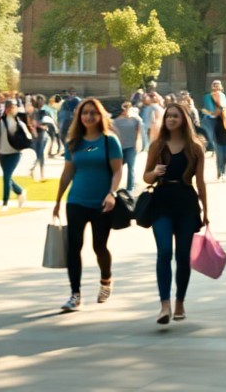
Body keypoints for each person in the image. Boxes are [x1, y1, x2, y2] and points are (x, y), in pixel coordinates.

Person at [52, 98, 123, 312]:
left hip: (102, 203)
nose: (89, 116)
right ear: (79, 116)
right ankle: (75, 294)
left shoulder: (109, 141)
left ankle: (106, 280)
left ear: (100, 116)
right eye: (85, 113)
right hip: (76, 201)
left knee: (99, 246)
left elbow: (118, 170)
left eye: (93, 113)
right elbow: (67, 173)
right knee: (74, 248)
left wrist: (112, 194)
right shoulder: (73, 143)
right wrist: (57, 201)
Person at [143, 103, 210, 324]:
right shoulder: (158, 145)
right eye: (168, 116)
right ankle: (164, 305)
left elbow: (200, 182)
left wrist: (206, 210)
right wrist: (154, 172)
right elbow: (145, 176)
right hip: (161, 200)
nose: (171, 119)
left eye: (175, 116)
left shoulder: (195, 147)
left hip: (186, 202)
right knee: (164, 252)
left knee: (182, 255)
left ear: (184, 120)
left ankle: (180, 300)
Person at [0, 99, 30, 210]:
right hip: (2, 152)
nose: (11, 108)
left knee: (6, 177)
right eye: (9, 106)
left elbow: (26, 135)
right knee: (7, 177)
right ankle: (20, 191)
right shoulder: (0, 120)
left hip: (14, 153)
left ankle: (5, 203)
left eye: (13, 106)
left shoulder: (19, 121)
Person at [200, 80, 226, 181]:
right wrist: (214, 113)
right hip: (211, 120)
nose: (217, 88)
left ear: (221, 87)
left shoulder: (223, 96)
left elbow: (225, 108)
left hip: (223, 122)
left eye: (218, 86)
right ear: (212, 87)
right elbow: (208, 110)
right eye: (215, 86)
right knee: (218, 151)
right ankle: (220, 172)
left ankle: (223, 172)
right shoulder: (208, 97)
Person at [112, 102, 143, 193]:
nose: (126, 109)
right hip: (119, 148)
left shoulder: (135, 120)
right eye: (124, 107)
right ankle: (113, 188)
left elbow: (139, 132)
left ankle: (130, 189)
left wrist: (138, 143)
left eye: (127, 107)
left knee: (131, 167)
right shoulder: (115, 121)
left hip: (131, 147)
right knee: (116, 169)